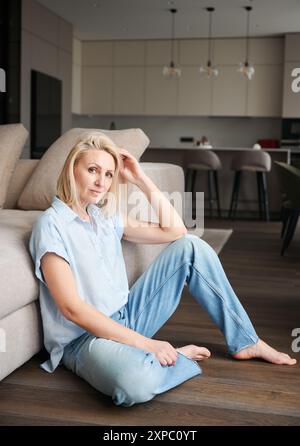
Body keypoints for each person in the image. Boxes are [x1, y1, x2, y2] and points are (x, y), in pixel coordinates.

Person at [29, 132, 296, 408]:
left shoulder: (105, 216)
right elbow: (72, 309)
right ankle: (171, 357)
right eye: (93, 170)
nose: (101, 182)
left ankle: (245, 341)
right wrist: (147, 344)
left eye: (109, 174)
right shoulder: (51, 225)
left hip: (128, 316)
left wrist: (140, 178)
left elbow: (176, 231)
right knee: (134, 384)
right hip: (84, 339)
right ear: (73, 169)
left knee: (191, 246)